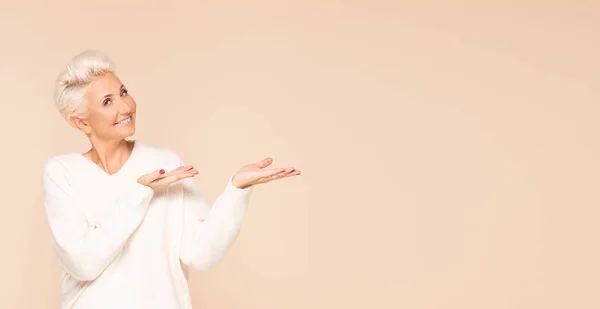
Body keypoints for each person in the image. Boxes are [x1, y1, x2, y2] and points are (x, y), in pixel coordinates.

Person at [41, 50, 301, 309]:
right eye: (107, 102)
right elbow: (83, 262)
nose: (125, 107)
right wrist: (140, 192)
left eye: (123, 93)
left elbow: (201, 254)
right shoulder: (63, 172)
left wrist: (237, 189)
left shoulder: (165, 164)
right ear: (82, 123)